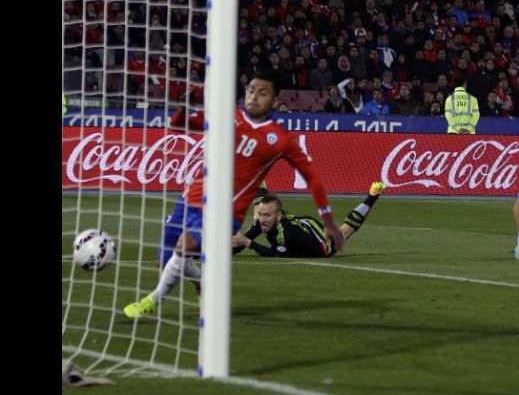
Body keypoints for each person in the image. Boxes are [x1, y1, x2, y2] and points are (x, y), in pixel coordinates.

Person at [123, 70, 345, 318]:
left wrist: (327, 220)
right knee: (167, 263)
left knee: (183, 249)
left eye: (263, 93)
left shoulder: (281, 139)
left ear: (274, 100)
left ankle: (151, 302)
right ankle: (203, 286)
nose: (254, 97)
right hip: (189, 198)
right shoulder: (225, 117)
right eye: (251, 90)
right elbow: (178, 125)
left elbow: (312, 176)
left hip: (225, 210)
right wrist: (183, 107)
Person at [232, 182, 386, 258]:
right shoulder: (265, 219)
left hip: (322, 244)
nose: (262, 219)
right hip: (304, 223)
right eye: (261, 215)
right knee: (260, 210)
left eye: (266, 216)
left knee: (344, 232)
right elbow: (241, 241)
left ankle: (372, 196)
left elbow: (273, 254)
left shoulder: (285, 235)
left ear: (278, 216)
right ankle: (259, 175)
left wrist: (248, 243)